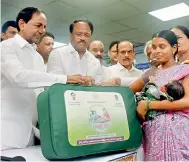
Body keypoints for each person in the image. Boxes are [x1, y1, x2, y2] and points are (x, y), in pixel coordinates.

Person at [1, 7, 88, 151]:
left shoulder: (36, 56)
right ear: (22, 24)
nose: (42, 31)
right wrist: (64, 79)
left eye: (45, 26)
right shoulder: (5, 47)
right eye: (38, 25)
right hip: (7, 130)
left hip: (30, 130)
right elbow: (19, 77)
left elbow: (41, 88)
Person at [129, 30, 189, 161]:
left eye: (162, 47)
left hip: (176, 132)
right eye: (154, 47)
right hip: (153, 133)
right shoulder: (151, 73)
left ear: (174, 48)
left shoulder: (185, 70)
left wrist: (149, 105)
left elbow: (187, 101)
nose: (157, 51)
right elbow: (129, 90)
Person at [47, 19, 102, 84]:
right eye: (79, 34)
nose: (83, 38)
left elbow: (98, 86)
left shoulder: (95, 61)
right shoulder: (58, 54)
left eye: (87, 35)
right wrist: (69, 80)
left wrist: (93, 83)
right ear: (70, 35)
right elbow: (51, 84)